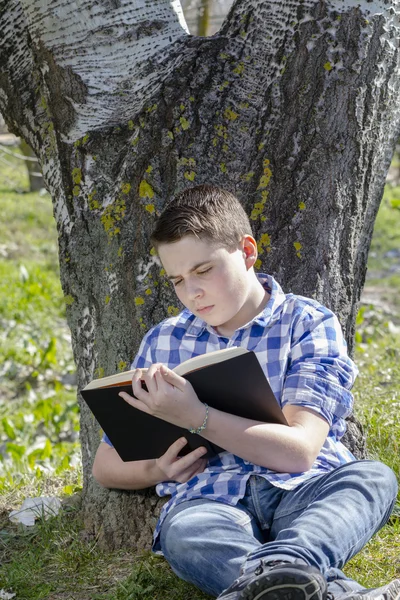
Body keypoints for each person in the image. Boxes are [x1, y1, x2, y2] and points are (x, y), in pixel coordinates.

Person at [92, 184, 399, 600]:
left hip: (305, 489)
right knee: (183, 532)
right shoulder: (163, 341)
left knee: (373, 478)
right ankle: (327, 590)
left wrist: (197, 416)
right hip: (210, 501)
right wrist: (159, 471)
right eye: (177, 280)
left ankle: (281, 569)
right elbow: (105, 465)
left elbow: (299, 451)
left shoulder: (306, 323)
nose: (192, 292)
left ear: (248, 252)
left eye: (203, 271)